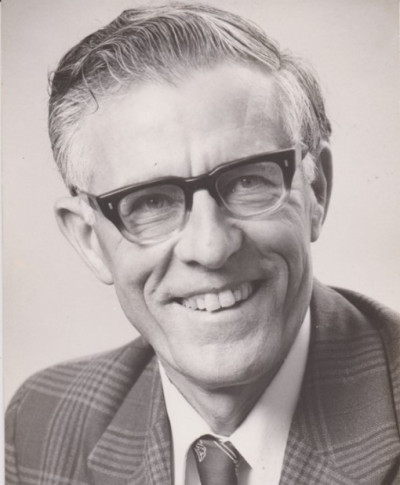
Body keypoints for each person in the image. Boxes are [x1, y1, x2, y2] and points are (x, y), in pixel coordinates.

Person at [5, 3, 400, 484]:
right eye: (151, 202)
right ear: (90, 240)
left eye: (248, 182)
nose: (211, 249)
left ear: (315, 192)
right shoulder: (42, 422)